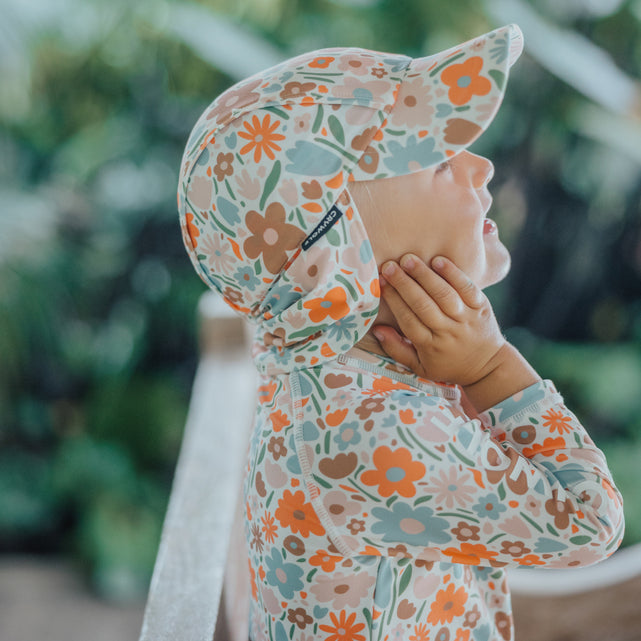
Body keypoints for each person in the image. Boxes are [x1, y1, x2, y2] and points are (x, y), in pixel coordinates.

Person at [177, 24, 624, 641]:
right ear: (339, 250)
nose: (483, 165)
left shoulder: (315, 369)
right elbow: (589, 522)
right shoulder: (373, 431)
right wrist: (490, 367)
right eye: (441, 161)